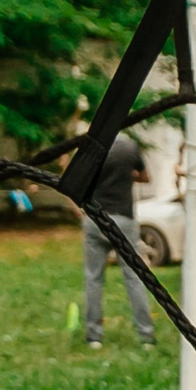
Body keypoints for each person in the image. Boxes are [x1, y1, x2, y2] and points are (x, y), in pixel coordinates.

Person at [75, 131, 154, 349]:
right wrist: (130, 176)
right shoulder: (130, 148)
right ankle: (146, 335)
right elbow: (146, 177)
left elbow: (78, 180)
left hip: (95, 216)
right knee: (133, 277)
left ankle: (94, 336)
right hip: (123, 219)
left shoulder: (92, 148)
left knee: (94, 278)